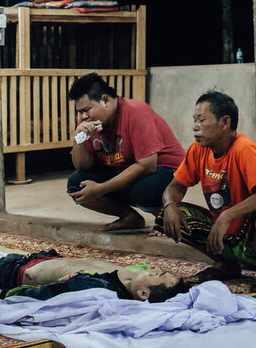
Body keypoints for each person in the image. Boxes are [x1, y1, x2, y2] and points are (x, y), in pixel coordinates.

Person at [156, 91, 256, 294]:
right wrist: (170, 205)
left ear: (225, 122)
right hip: (226, 233)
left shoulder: (244, 149)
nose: (195, 126)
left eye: (201, 120)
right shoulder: (198, 149)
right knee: (169, 215)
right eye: (194, 121)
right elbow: (175, 187)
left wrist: (227, 216)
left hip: (255, 236)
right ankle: (226, 264)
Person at [68, 72, 185, 232]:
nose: (83, 116)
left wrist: (101, 188)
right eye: (80, 112)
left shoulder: (136, 111)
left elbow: (147, 166)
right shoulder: (87, 121)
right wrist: (78, 139)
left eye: (86, 110)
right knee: (76, 185)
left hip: (165, 172)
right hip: (124, 171)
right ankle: (130, 217)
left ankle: (165, 219)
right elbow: (83, 166)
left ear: (105, 100)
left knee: (146, 190)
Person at [0, 239, 188, 302]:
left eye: (157, 275)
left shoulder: (100, 288)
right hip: (41, 259)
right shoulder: (132, 274)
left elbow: (52, 293)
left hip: (15, 273)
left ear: (143, 294)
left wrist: (5, 294)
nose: (155, 269)